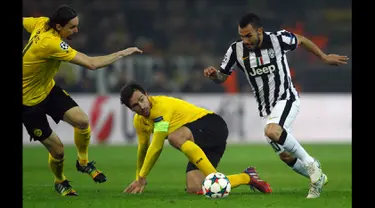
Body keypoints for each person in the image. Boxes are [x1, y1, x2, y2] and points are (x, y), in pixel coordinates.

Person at [203, 13, 349, 199]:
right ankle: (318, 178)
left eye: (248, 35)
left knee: (272, 131)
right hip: (266, 109)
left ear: (260, 31)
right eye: (241, 36)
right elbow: (222, 77)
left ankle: (312, 164)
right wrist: (214, 75)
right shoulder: (236, 50)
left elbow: (302, 40)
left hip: (286, 98)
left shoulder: (278, 39)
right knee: (286, 156)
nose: (245, 40)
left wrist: (323, 57)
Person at [22, 5, 143, 196]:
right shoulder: (51, 43)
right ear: (59, 26)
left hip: (48, 89)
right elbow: (91, 64)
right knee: (58, 151)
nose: (76, 30)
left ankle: (83, 162)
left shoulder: (41, 22)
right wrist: (122, 53)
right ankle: (60, 181)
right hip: (27, 103)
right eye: (72, 27)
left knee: (82, 121)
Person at [120, 82, 272, 194]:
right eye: (135, 105)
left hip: (212, 126)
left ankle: (216, 178)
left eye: (141, 99)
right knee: (195, 189)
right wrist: (138, 177)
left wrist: (142, 176)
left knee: (174, 137)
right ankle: (247, 177)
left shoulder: (160, 109)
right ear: (130, 109)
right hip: (197, 143)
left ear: (146, 94)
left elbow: (157, 146)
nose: (142, 106)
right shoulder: (139, 122)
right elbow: (143, 149)